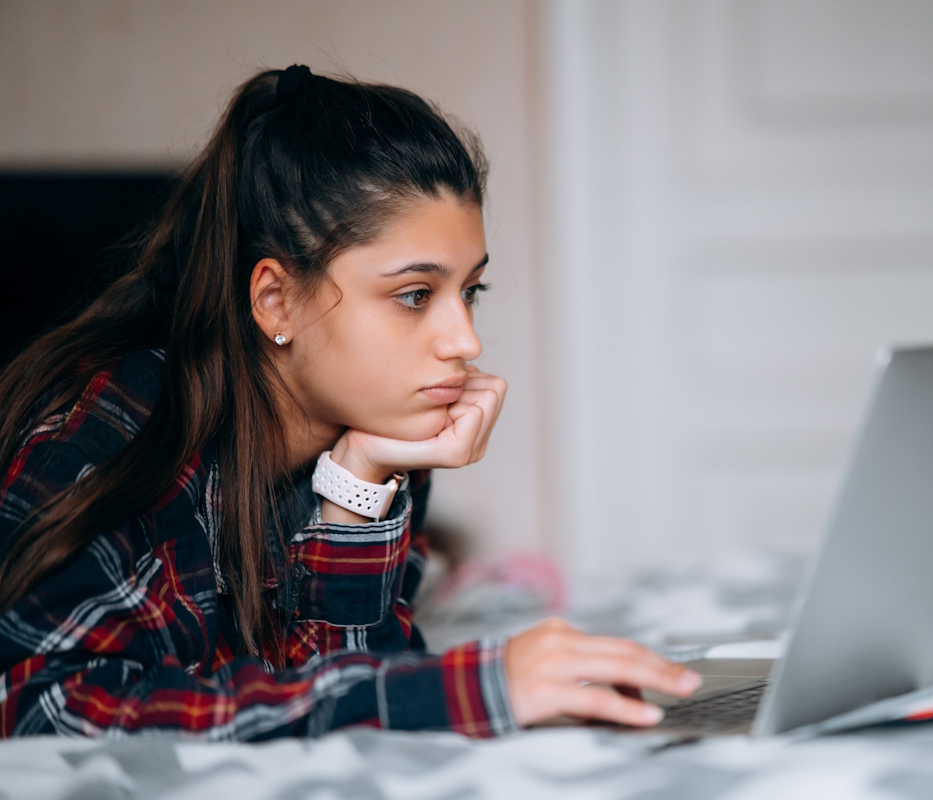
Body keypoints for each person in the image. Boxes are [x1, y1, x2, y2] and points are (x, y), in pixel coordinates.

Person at [0, 66, 700, 739]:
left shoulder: (383, 437)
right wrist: (467, 689)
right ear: (276, 300)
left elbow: (337, 717)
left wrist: (355, 488)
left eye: (470, 291)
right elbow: (43, 716)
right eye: (415, 295)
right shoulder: (115, 439)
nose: (465, 341)